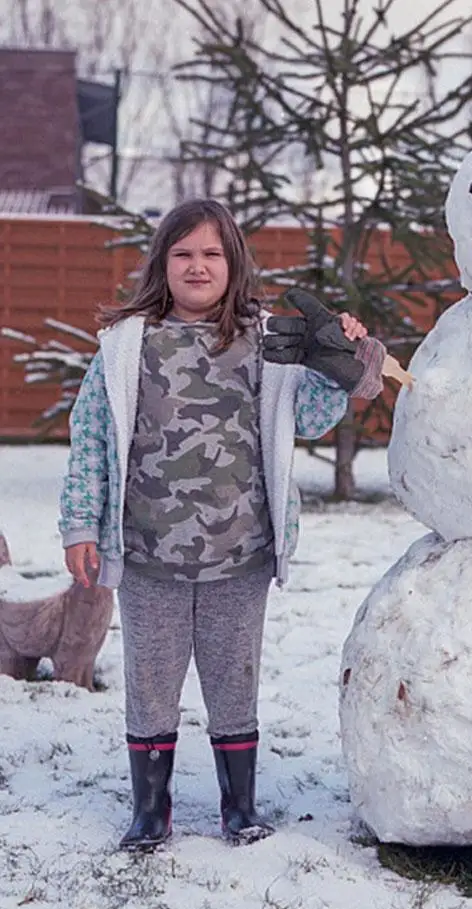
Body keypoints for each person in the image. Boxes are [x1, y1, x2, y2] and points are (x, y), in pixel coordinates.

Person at [58, 198, 397, 851]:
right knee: (151, 682)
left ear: (233, 262)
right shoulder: (128, 345)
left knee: (232, 679)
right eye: (183, 253)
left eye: (211, 253)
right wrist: (79, 523)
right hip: (148, 554)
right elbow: (90, 439)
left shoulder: (267, 339)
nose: (197, 265)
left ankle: (238, 808)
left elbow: (317, 414)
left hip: (239, 554)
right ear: (162, 263)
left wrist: (348, 354)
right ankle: (149, 812)